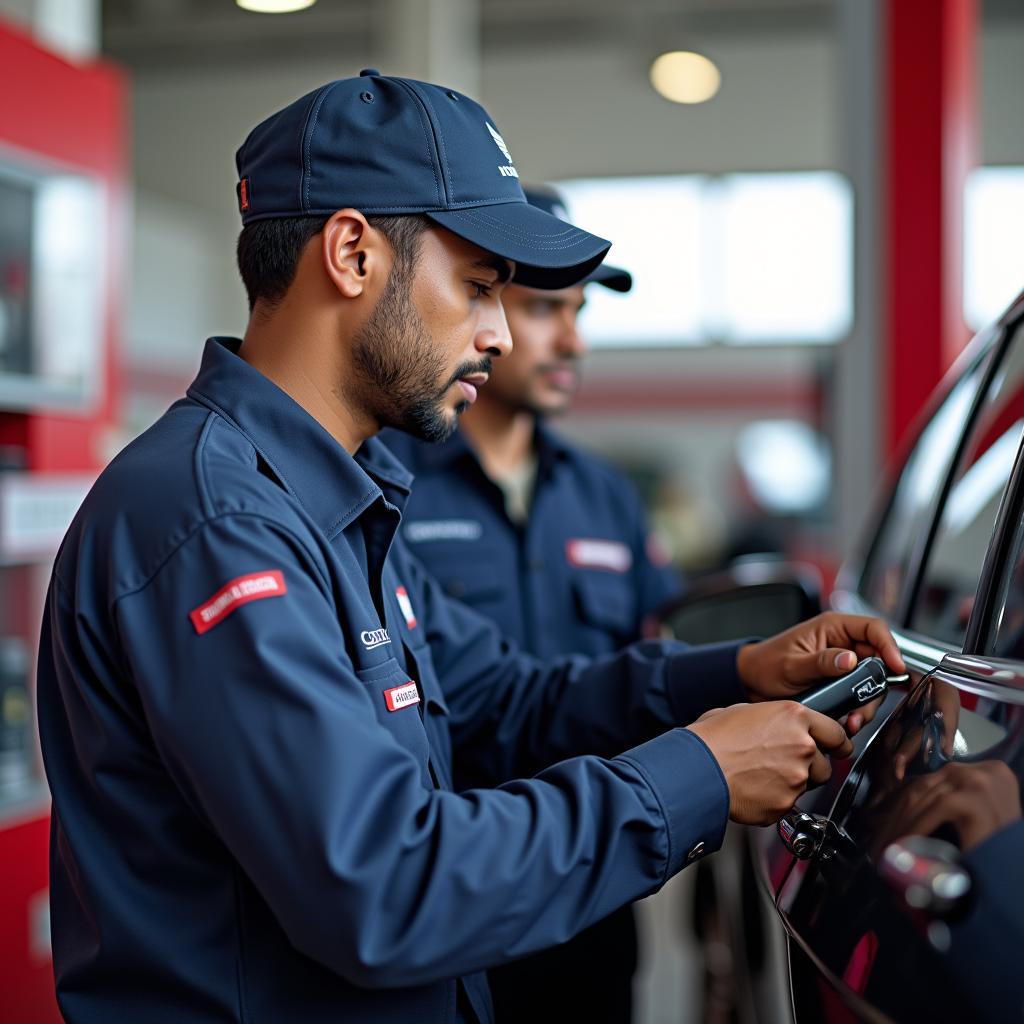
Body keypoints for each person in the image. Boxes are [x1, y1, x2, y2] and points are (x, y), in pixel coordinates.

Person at [37, 70, 904, 1024]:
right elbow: (380, 885)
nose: (499, 332)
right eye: (482, 287)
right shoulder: (218, 524)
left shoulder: (332, 501)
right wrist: (697, 775)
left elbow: (499, 701)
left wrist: (734, 672)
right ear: (354, 253)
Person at [383, 186, 681, 1021]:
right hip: (451, 904)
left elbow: (649, 655)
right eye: (547, 308)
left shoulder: (607, 496)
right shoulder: (383, 489)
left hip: (596, 904)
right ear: (484, 302)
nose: (572, 342)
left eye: (581, 312)